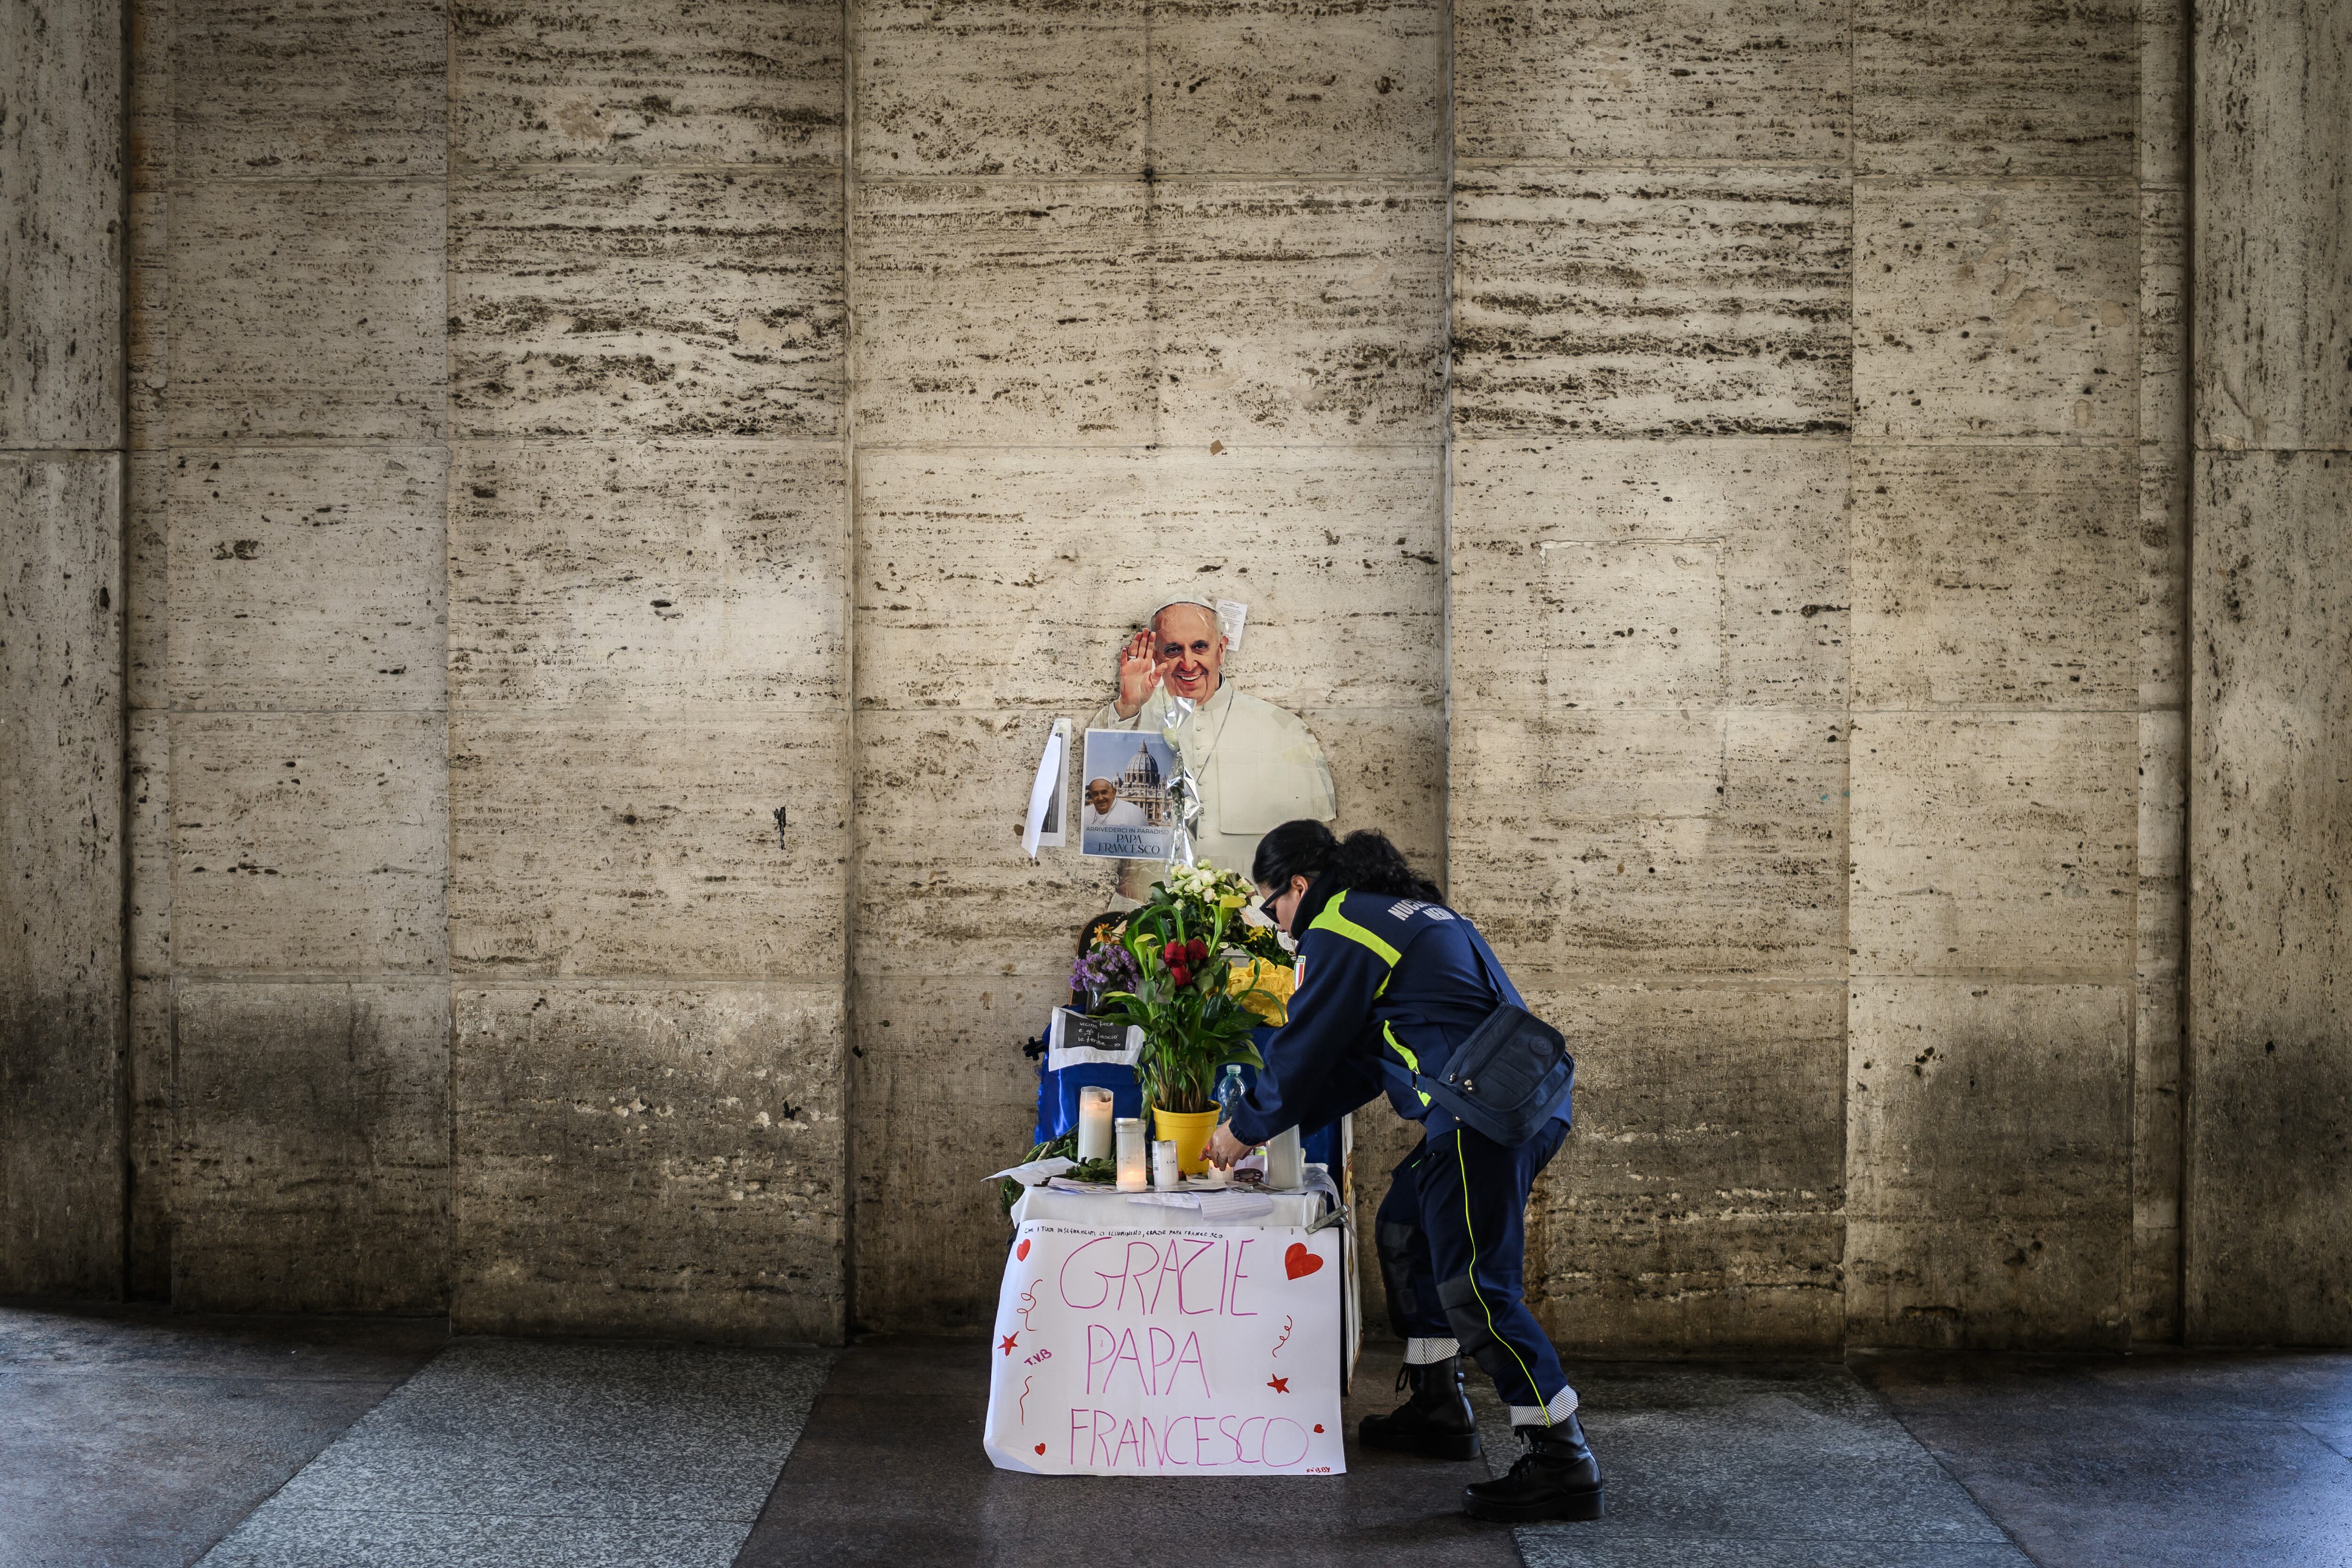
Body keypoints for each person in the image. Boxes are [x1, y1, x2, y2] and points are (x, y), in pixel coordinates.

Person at [1203, 820, 1601, 1525]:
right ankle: (1438, 1405)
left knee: (1476, 1287)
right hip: (1511, 1101)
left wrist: (1242, 1126)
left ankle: (1563, 1459)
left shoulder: (1343, 923)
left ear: (1300, 885)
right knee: (1406, 1226)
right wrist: (1271, 1121)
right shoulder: (1398, 911)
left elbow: (1305, 1046)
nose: (1280, 926)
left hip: (1482, 1116)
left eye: (1274, 907)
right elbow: (1356, 1062)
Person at [1088, 597, 1335, 902]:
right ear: (1156, 655)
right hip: (1147, 915)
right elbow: (1095, 802)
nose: (1188, 663)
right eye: (1174, 649)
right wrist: (1128, 705)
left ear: (1221, 649)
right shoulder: (1129, 715)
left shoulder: (1282, 727)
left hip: (1249, 919)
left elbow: (1309, 849)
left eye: (1200, 647)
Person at [1081, 777, 1146, 830]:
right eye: (1095, 794)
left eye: (1104, 793)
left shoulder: (1135, 813)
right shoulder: (1085, 812)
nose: (1100, 798)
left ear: (1114, 792)